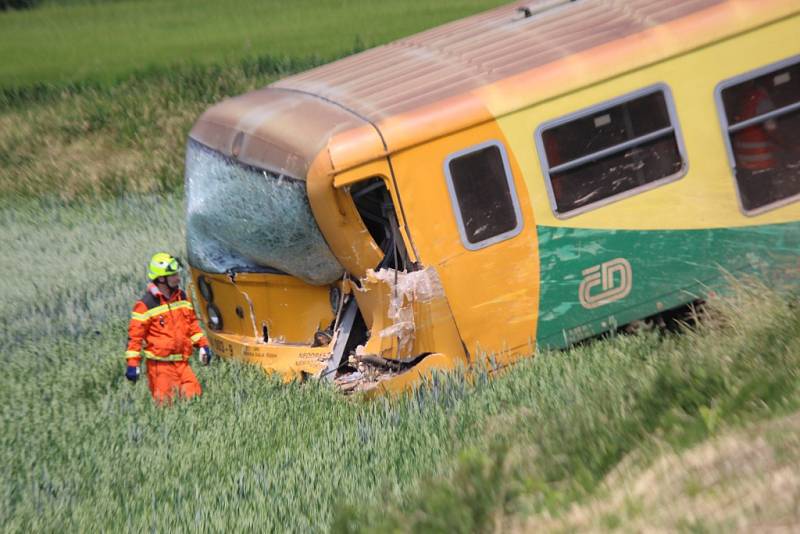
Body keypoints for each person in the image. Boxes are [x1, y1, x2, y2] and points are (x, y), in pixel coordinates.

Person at [124, 252, 212, 403]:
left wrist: (203, 346)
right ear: (161, 279)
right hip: (160, 368)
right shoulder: (145, 305)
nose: (178, 278)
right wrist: (133, 365)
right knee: (167, 406)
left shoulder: (182, 298)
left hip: (182, 364)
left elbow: (192, 325)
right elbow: (135, 339)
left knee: (195, 399)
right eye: (173, 275)